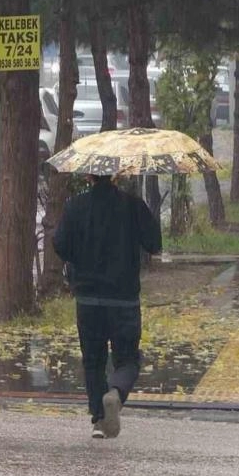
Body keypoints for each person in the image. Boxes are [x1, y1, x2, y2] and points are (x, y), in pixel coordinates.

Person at [52, 175, 162, 439]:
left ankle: (99, 421)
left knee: (93, 360)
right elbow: (154, 245)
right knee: (128, 359)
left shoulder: (75, 206)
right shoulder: (132, 205)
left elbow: (60, 245)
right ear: (116, 176)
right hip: (124, 299)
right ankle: (115, 392)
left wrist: (81, 257)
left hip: (88, 299)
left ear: (89, 176)